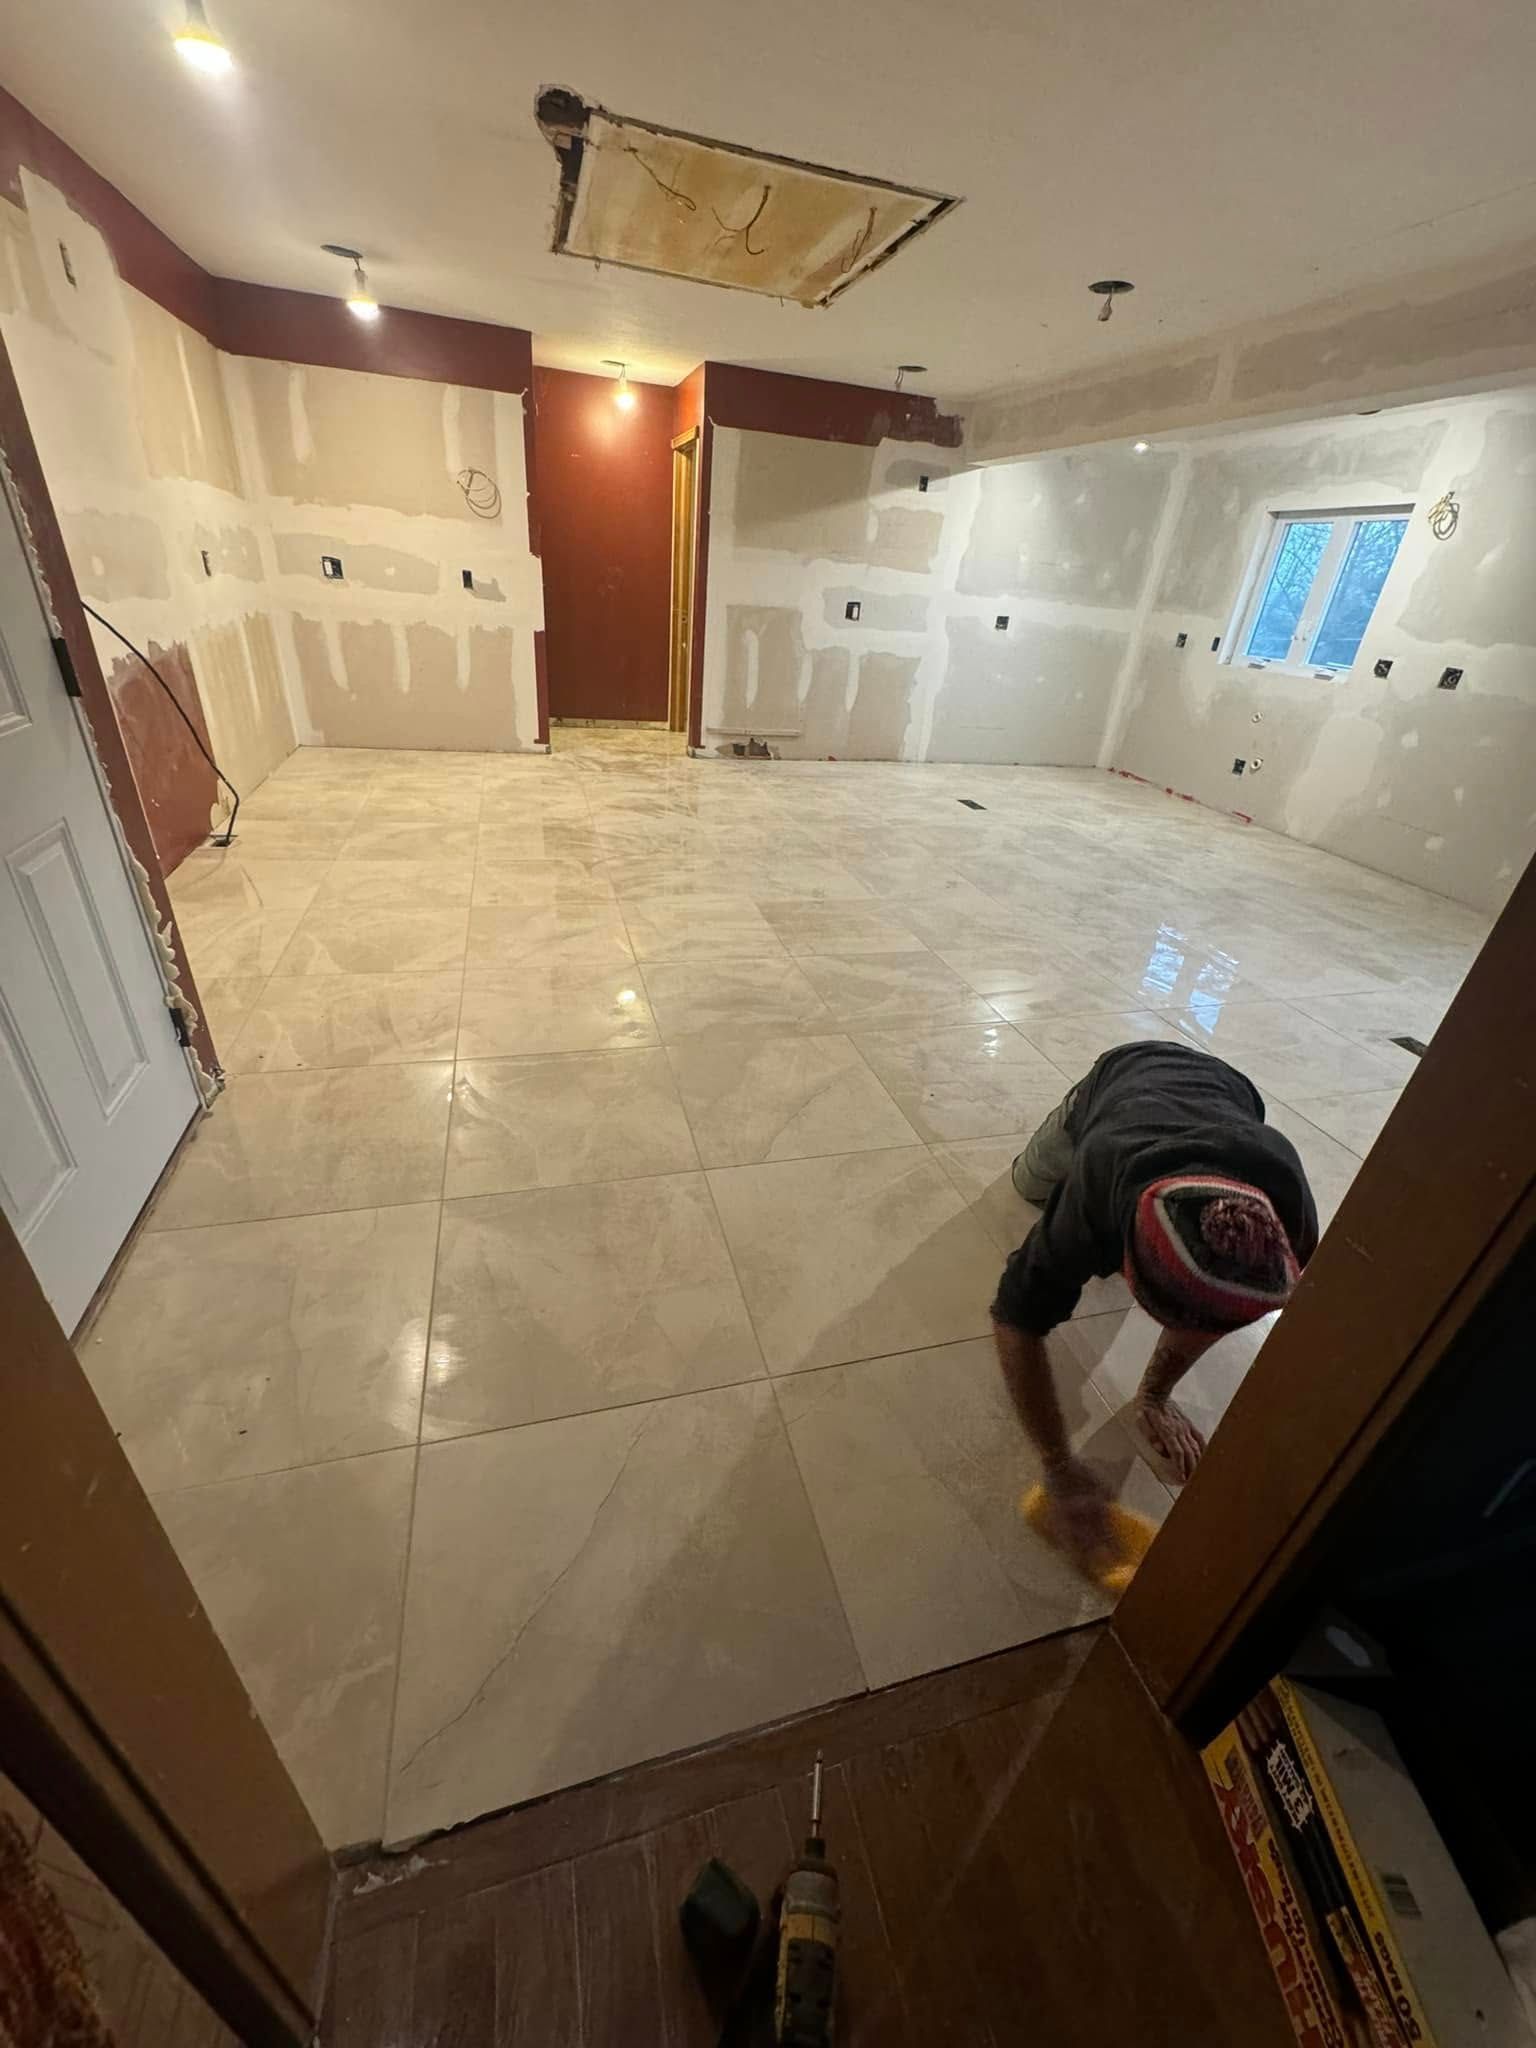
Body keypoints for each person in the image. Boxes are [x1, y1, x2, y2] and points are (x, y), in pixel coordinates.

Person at [991, 1039, 1317, 1553]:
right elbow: (1016, 1317)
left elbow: (1210, 1311)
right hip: (1124, 1071)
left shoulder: (1287, 1221)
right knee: (1028, 1183)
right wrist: (1058, 1465)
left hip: (1232, 1092)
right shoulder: (1097, 1180)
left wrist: (1155, 1395)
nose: (1194, 1336)